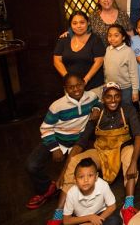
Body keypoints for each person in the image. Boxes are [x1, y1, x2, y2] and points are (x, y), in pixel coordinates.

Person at [54, 82, 140, 225]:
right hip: (100, 151)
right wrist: (62, 174)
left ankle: (128, 206)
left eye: (116, 96)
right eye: (108, 97)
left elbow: (139, 135)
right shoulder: (96, 113)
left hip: (122, 149)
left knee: (130, 154)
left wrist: (134, 163)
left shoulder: (128, 110)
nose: (113, 100)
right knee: (76, 159)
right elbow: (80, 143)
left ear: (121, 97)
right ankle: (58, 214)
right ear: (103, 98)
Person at [26, 74, 99, 211]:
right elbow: (45, 128)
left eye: (78, 85)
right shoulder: (57, 106)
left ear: (84, 84)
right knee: (32, 165)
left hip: (77, 142)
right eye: (71, 87)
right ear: (65, 89)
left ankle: (69, 194)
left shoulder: (91, 96)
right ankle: (47, 189)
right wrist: (54, 149)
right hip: (57, 139)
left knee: (75, 171)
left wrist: (97, 109)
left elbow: (98, 102)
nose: (76, 89)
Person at [54, 10, 105, 97]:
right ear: (70, 25)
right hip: (71, 88)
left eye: (82, 22)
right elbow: (56, 60)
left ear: (88, 23)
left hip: (93, 87)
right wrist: (69, 79)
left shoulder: (95, 39)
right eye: (75, 23)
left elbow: (99, 61)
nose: (79, 26)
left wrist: (85, 80)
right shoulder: (64, 39)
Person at [62, 158, 121, 225]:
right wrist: (90, 218)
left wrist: (95, 221)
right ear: (75, 180)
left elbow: (112, 206)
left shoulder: (102, 185)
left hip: (100, 214)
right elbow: (66, 221)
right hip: (81, 219)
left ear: (96, 177)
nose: (86, 180)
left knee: (114, 220)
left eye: (90, 175)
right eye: (81, 177)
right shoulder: (71, 193)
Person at [104, 24, 139, 105]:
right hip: (110, 88)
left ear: (123, 37)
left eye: (116, 35)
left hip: (125, 89)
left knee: (126, 110)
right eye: (109, 35)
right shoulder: (108, 49)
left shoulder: (128, 51)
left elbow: (133, 73)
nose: (112, 38)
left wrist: (135, 92)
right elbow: (105, 69)